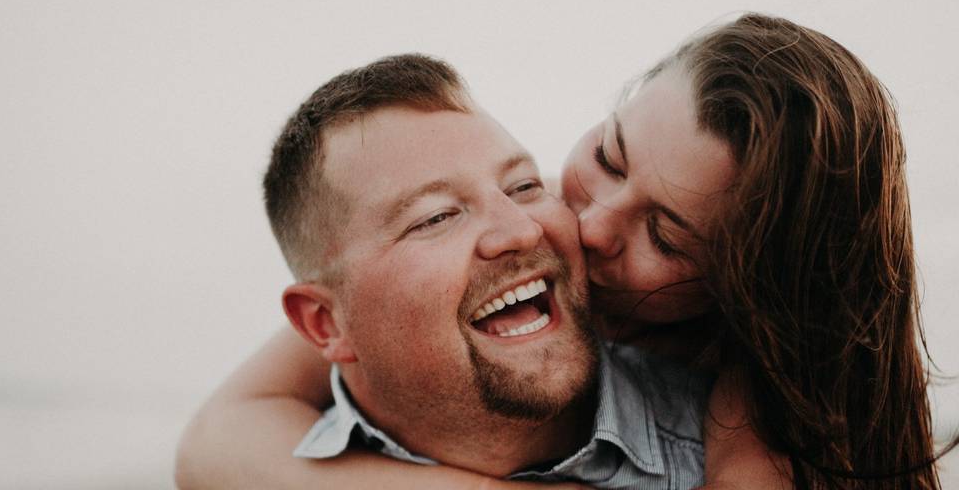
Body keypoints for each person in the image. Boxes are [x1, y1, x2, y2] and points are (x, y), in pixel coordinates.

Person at [177, 14, 943, 489]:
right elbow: (219, 439)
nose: (586, 225)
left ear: (739, 293)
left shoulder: (747, 428)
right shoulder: (512, 226)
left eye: (667, 236)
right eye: (610, 156)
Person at [176, 54, 713, 489]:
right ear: (325, 323)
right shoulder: (253, 464)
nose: (521, 231)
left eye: (524, 186)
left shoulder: (736, 452)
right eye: (436, 217)